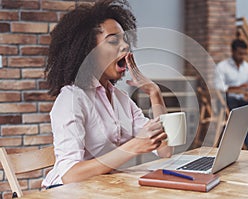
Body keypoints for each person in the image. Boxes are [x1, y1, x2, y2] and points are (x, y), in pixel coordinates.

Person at [42, 0, 173, 188]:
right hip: (65, 192)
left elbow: (165, 150)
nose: (125, 46)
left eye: (124, 40)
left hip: (103, 188)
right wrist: (133, 146)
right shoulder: (71, 99)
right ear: (88, 51)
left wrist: (154, 93)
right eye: (113, 40)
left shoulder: (120, 99)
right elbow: (69, 175)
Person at [215, 38, 248, 150]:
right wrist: (238, 87)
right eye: (240, 53)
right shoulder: (222, 67)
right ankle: (241, 144)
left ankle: (246, 142)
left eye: (244, 54)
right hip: (227, 100)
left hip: (242, 100)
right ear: (232, 51)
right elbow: (218, 86)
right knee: (239, 115)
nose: (242, 56)